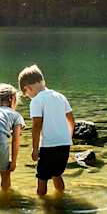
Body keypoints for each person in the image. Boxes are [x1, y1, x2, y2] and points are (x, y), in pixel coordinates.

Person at [20, 64, 73, 196]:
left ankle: (42, 205)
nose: (29, 98)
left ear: (28, 88)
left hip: (48, 146)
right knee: (57, 174)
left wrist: (35, 149)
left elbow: (37, 126)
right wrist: (68, 138)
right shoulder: (60, 96)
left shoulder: (37, 101)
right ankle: (60, 198)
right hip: (64, 145)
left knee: (42, 178)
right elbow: (71, 120)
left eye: (27, 95)